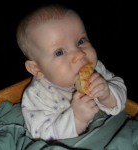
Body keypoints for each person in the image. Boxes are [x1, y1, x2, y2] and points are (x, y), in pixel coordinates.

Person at [16, 4, 127, 140]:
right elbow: (40, 133)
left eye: (80, 41)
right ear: (37, 69)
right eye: (59, 52)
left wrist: (108, 95)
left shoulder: (96, 69)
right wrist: (77, 119)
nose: (79, 54)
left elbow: (121, 90)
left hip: (112, 131)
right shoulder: (37, 95)